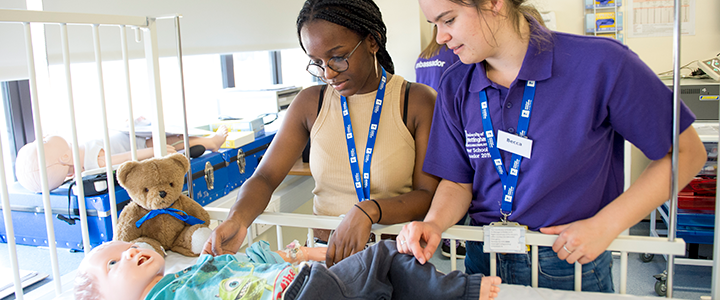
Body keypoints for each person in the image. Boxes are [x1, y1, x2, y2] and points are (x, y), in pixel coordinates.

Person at [396, 0, 707, 292]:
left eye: (448, 19)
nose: (441, 37)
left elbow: (686, 153)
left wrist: (606, 225)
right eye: (433, 24)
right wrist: (434, 223)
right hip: (484, 258)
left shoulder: (600, 64)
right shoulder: (455, 84)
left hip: (568, 259)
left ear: (494, 3)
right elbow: (458, 181)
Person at [204, 0, 440, 267]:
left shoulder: (416, 101)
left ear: (373, 41)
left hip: (393, 259)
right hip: (322, 257)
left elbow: (426, 195)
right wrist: (237, 218)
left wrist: (370, 210)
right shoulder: (310, 103)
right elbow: (266, 177)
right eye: (317, 62)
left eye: (338, 57)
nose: (328, 73)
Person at [74, 239, 501, 300]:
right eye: (113, 265)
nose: (129, 253)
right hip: (300, 291)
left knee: (377, 272)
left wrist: (307, 255)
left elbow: (260, 261)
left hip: (303, 282)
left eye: (128, 247)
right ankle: (465, 291)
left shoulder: (199, 268)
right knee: (383, 258)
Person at [15, 125, 229, 193]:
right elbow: (122, 159)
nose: (44, 137)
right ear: (62, 157)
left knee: (173, 139)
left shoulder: (79, 163)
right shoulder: (92, 160)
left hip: (128, 137)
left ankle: (209, 140)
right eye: (43, 141)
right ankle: (211, 142)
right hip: (134, 146)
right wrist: (154, 152)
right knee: (173, 142)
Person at [415, 25, 465, 259]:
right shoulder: (453, 53)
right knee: (458, 175)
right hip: (450, 121)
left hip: (427, 125)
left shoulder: (423, 57)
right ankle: (454, 240)